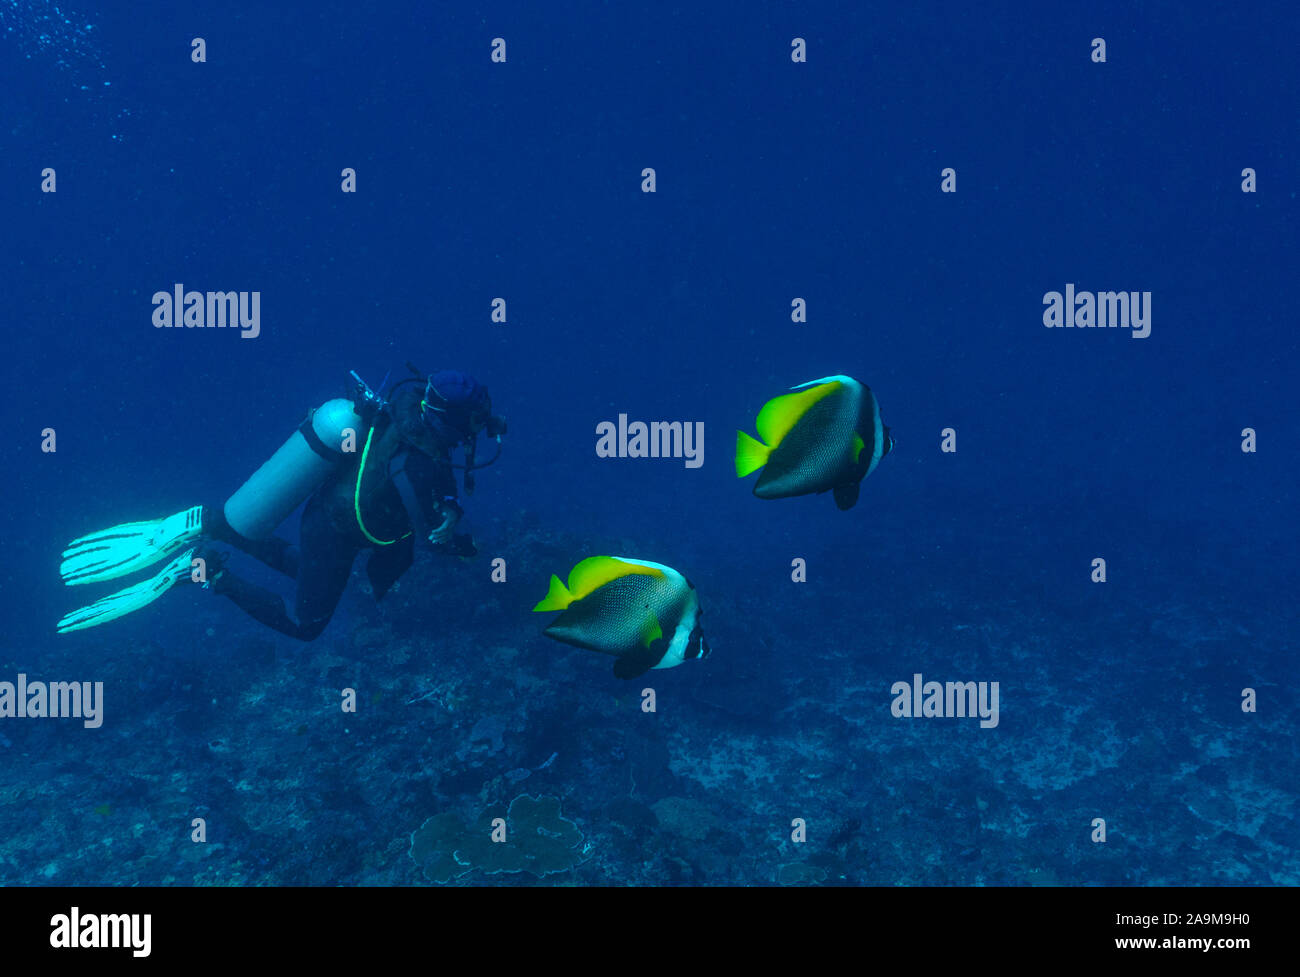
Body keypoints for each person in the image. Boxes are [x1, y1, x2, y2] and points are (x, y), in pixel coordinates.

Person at [57, 368, 506, 639]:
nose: (476, 431)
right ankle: (207, 571)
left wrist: (449, 502)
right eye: (473, 421)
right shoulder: (419, 464)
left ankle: (213, 523)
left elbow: (431, 477)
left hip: (332, 517)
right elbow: (425, 525)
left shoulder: (410, 411)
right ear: (450, 419)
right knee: (305, 626)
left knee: (310, 570)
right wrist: (453, 538)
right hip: (335, 529)